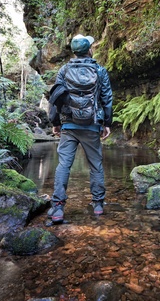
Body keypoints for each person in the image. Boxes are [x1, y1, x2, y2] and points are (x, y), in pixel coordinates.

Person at [48, 34, 113, 223]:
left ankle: (58, 207)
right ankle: (98, 204)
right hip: (91, 125)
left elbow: (55, 98)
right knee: (95, 165)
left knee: (64, 165)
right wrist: (106, 123)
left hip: (68, 124)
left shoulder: (64, 70)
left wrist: (55, 123)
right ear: (89, 50)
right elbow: (106, 98)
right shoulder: (100, 71)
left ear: (75, 51)